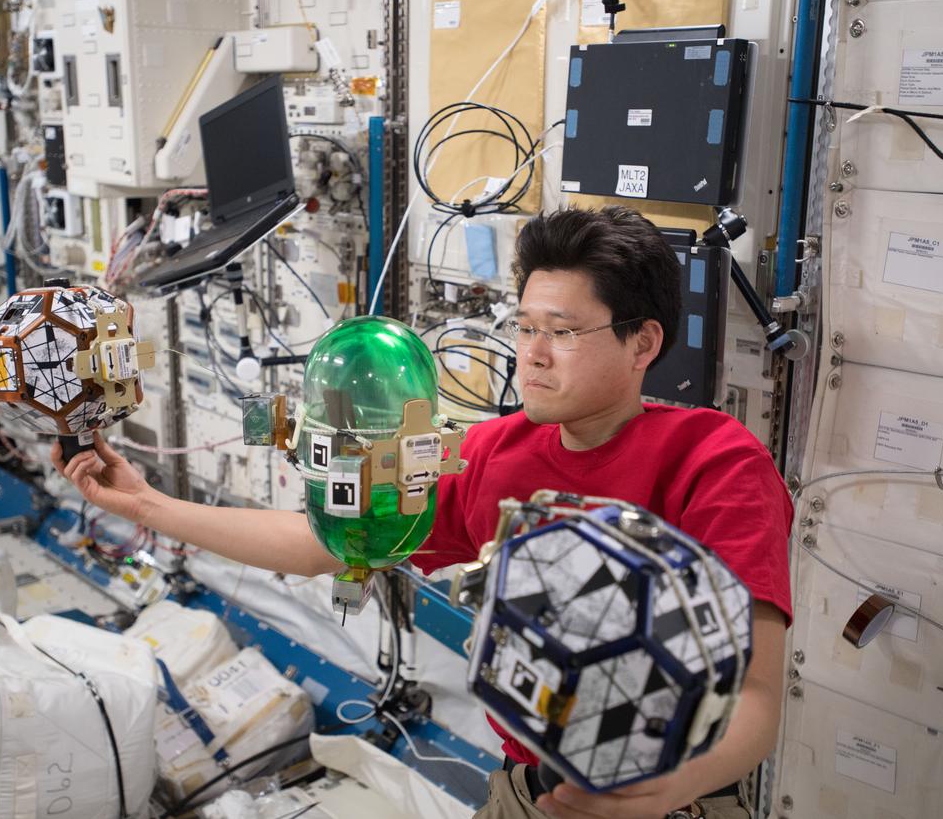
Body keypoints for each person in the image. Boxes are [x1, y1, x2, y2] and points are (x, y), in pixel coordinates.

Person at [55, 206, 791, 819]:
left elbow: (755, 694)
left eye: (562, 332)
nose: (531, 353)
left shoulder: (716, 464)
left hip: (675, 795)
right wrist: (148, 502)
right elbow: (324, 542)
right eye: (525, 325)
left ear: (644, 342)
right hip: (525, 793)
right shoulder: (494, 453)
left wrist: (663, 787)